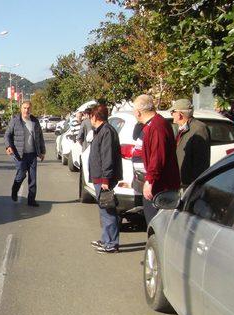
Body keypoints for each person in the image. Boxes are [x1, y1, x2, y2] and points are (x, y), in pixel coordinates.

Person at [133, 94, 180, 224]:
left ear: (138, 112)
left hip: (160, 187)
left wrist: (150, 180)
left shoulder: (157, 126)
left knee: (157, 223)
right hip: (154, 184)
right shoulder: (152, 124)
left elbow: (158, 156)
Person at [87, 104, 123, 254]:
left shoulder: (106, 131)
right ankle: (106, 239)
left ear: (95, 116)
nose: (90, 119)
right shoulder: (101, 131)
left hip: (104, 178)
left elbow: (107, 157)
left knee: (108, 210)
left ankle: (111, 243)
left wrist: (105, 179)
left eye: (91, 116)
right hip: (99, 177)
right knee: (104, 210)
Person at [4, 100, 46, 206]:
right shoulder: (15, 120)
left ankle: (31, 200)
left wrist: (42, 151)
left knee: (33, 178)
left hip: (32, 154)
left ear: (31, 109)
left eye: (28, 108)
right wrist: (8, 146)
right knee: (21, 174)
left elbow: (40, 137)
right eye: (24, 108)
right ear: (21, 109)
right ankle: (15, 190)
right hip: (19, 154)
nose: (26, 110)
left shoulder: (35, 121)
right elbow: (7, 134)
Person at [170, 99, 210, 189]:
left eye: (173, 112)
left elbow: (201, 161)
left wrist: (194, 184)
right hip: (182, 181)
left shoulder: (199, 128)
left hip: (190, 184)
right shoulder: (183, 128)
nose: (172, 114)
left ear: (180, 114)